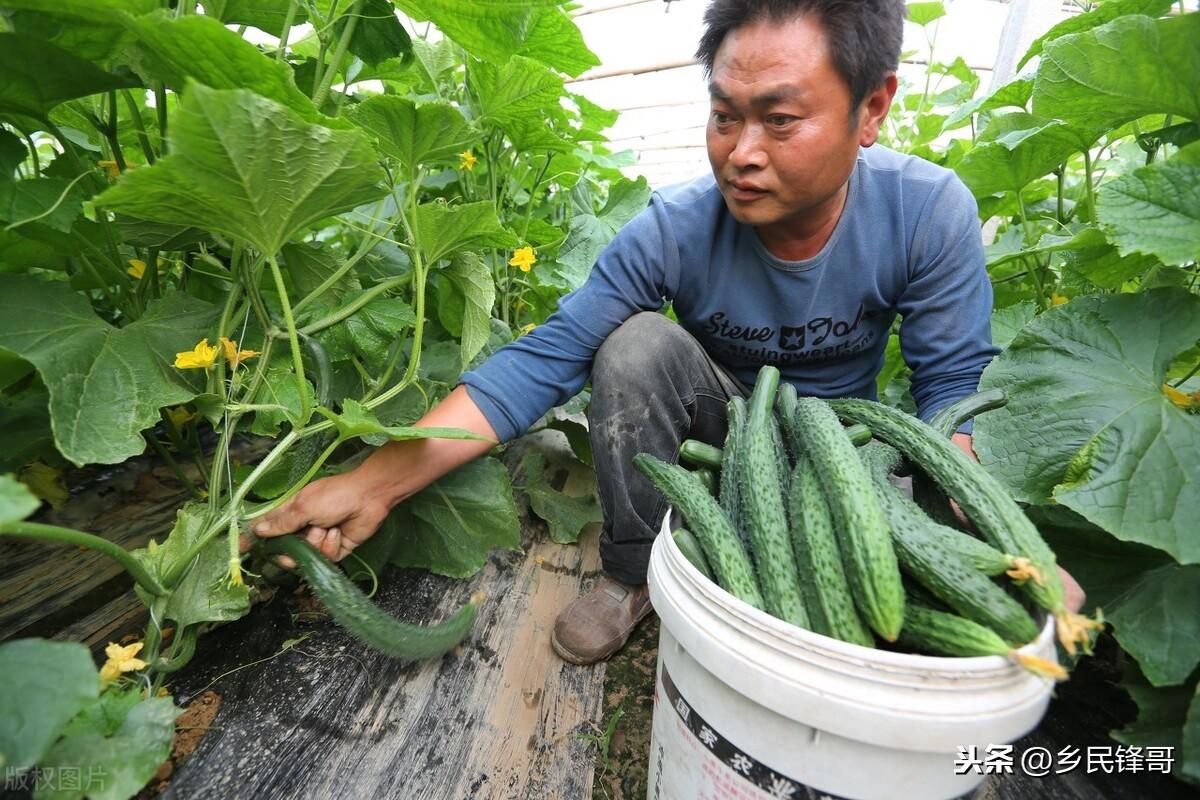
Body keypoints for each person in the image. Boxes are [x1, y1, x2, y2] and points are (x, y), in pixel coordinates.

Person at [251, 0, 1084, 665]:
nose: (741, 154)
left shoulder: (926, 211)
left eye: (780, 120)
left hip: (842, 449)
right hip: (714, 432)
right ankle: (632, 570)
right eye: (725, 116)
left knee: (904, 577)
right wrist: (376, 480)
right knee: (635, 342)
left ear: (872, 108)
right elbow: (547, 359)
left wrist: (1006, 548)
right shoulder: (677, 227)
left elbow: (952, 398)